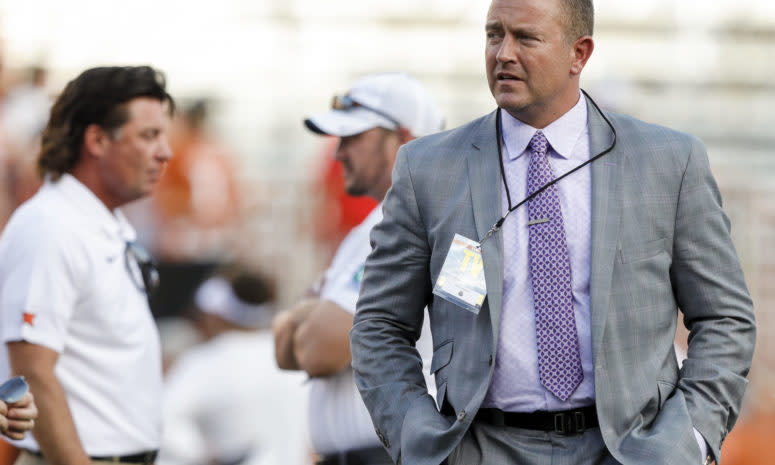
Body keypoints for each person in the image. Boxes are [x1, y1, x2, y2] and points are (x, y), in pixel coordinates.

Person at [349, 1, 757, 464]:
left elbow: (725, 319)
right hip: (480, 448)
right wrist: (418, 438)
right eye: (493, 35)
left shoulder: (668, 162)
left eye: (526, 38)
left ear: (579, 54)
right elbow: (379, 325)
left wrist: (687, 441)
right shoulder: (427, 169)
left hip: (630, 450)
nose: (503, 53)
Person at [0, 66, 174, 465]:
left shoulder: (101, 223)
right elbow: (32, 375)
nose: (165, 151)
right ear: (96, 139)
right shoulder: (51, 226)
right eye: (148, 135)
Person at [273, 72, 444, 465]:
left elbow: (316, 349)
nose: (338, 153)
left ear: (404, 139)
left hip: (386, 452)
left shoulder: (408, 221)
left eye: (353, 137)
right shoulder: (375, 224)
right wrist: (308, 320)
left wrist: (301, 314)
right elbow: (286, 353)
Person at [158, 268, 310, 465]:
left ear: (218, 316)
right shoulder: (296, 359)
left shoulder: (206, 361)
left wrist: (202, 455)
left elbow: (161, 421)